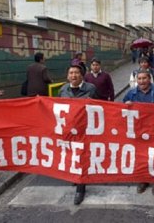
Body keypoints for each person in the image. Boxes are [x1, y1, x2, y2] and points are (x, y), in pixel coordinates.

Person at [123, 70, 154, 196]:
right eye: (139, 79)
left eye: (144, 78)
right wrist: (126, 104)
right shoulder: (131, 93)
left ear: (149, 79)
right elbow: (121, 108)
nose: (141, 81)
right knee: (141, 156)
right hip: (138, 130)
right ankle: (143, 179)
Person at [58, 64, 97, 205]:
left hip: (85, 130)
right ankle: (76, 178)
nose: (73, 75)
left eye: (76, 73)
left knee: (82, 157)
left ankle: (81, 188)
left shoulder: (91, 89)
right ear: (68, 76)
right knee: (72, 155)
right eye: (71, 73)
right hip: (69, 131)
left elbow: (99, 107)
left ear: (81, 75)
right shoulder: (63, 90)